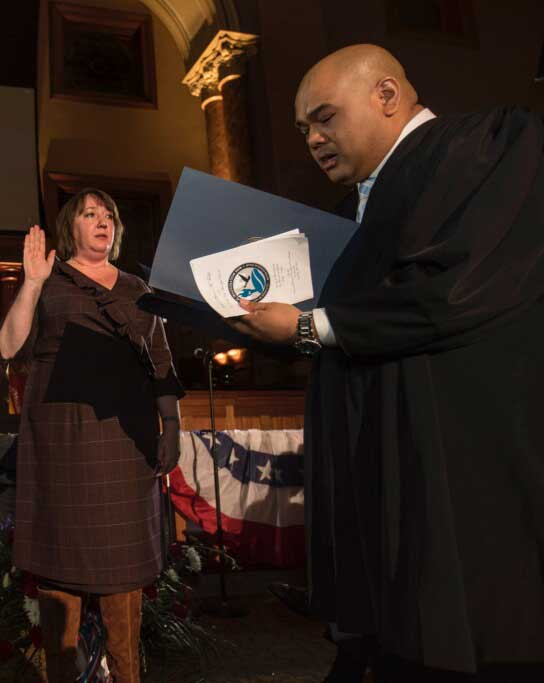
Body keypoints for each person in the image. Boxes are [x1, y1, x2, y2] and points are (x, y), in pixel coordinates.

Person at [229, 44, 544, 680]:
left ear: (388, 97)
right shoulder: (348, 214)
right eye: (303, 130)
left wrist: (310, 326)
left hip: (463, 466)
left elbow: (456, 290)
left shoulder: (486, 143)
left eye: (325, 118)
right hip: (388, 471)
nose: (313, 140)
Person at [0, 189, 184, 682]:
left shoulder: (139, 288)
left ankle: (126, 674)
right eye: (90, 214)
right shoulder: (49, 282)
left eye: (109, 215)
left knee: (122, 572)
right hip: (60, 446)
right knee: (61, 567)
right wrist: (32, 283)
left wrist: (173, 426)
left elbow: (161, 365)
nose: (102, 221)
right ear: (69, 227)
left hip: (125, 443)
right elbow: (8, 347)